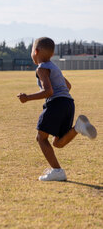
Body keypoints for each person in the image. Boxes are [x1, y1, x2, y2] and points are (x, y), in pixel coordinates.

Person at [17, 37, 97, 181]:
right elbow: (68, 86)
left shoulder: (41, 68)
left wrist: (27, 98)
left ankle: (57, 171)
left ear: (35, 51)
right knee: (58, 142)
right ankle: (78, 128)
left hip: (56, 104)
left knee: (41, 138)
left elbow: (49, 92)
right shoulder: (54, 67)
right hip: (68, 103)